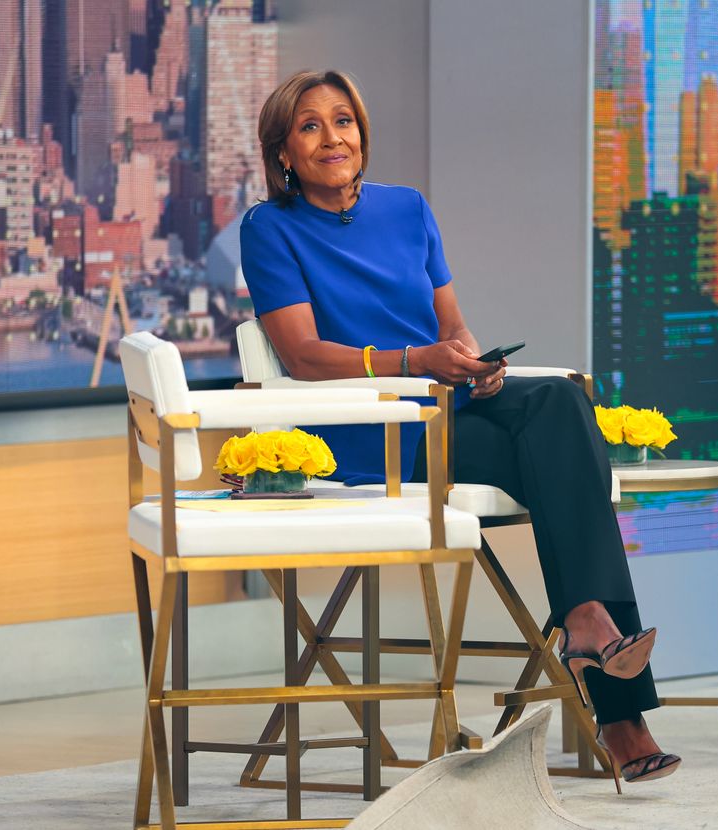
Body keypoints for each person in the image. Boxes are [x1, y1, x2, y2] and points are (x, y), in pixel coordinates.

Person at [239, 68, 680, 786]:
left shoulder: (408, 209)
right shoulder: (269, 228)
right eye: (310, 126)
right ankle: (620, 708)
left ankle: (588, 624)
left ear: (362, 132)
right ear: (283, 152)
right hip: (376, 432)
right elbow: (303, 355)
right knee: (561, 447)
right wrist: (419, 360)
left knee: (564, 402)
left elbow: (454, 325)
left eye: (343, 120)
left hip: (452, 402)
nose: (332, 137)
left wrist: (476, 362)